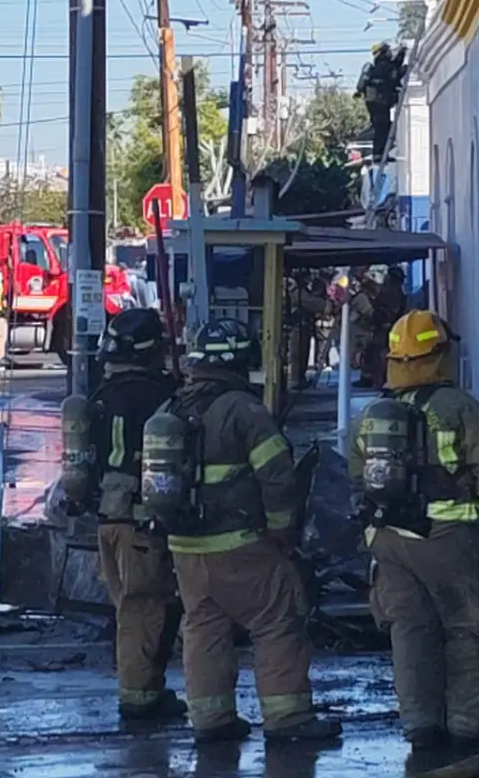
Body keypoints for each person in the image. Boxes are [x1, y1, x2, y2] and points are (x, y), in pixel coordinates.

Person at [161, 318, 342, 744]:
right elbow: (278, 476)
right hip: (240, 544)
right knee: (277, 620)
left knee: (203, 627)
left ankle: (211, 719)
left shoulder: (170, 409)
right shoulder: (244, 410)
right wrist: (281, 530)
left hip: (185, 548)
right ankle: (288, 717)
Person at [348, 309, 479, 751]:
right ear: (440, 355)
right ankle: (468, 727)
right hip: (448, 538)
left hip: (388, 541)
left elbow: (356, 479)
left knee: (409, 631)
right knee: (471, 627)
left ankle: (420, 724)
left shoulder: (371, 416)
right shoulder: (459, 407)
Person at [90, 309, 186, 720]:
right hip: (141, 523)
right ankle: (140, 699)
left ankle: (145, 690)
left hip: (107, 519)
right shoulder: (158, 397)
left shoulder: (100, 395)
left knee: (129, 609)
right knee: (145, 611)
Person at [354, 43, 407, 163]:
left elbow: (395, 67)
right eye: (388, 51)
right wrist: (402, 60)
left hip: (380, 103)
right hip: (379, 103)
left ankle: (382, 153)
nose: (390, 53)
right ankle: (378, 154)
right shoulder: (383, 67)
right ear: (383, 53)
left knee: (385, 127)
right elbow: (394, 72)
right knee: (381, 128)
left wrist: (402, 53)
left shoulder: (383, 66)